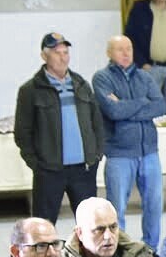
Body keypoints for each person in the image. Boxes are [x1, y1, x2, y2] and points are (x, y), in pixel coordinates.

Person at [14, 32, 103, 220]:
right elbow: (22, 132)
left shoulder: (81, 85)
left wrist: (96, 155)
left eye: (65, 53)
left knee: (90, 224)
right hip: (49, 171)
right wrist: (37, 165)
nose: (63, 58)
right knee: (43, 224)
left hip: (83, 169)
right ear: (44, 56)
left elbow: (97, 123)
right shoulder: (30, 90)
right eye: (57, 53)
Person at [92, 35, 166, 252]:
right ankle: (120, 251)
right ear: (109, 53)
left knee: (154, 204)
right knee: (117, 208)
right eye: (119, 49)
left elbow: (160, 106)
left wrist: (127, 106)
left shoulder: (144, 76)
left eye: (129, 48)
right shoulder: (102, 78)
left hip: (149, 152)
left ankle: (151, 249)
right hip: (119, 153)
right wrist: (143, 104)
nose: (126, 53)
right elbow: (113, 111)